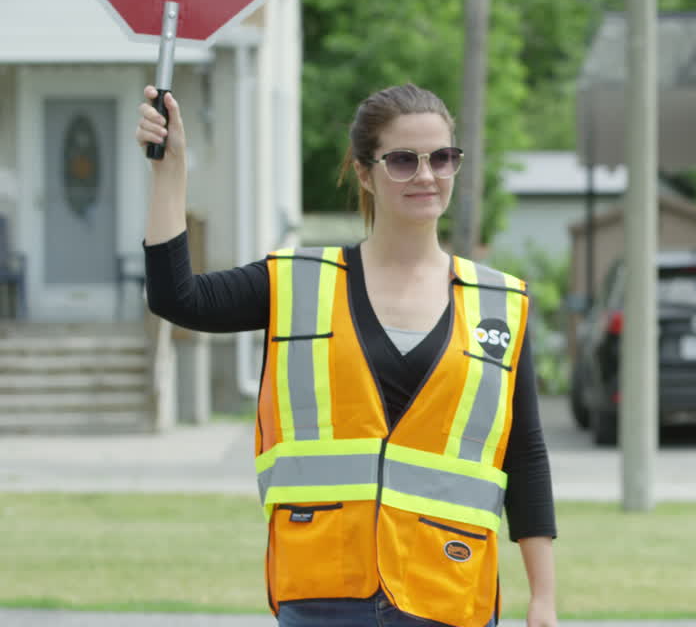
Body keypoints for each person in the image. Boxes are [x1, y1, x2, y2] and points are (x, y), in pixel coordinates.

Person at [136, 83, 558, 627]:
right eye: (403, 160)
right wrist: (170, 173)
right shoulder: (294, 283)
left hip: (450, 590)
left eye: (442, 158)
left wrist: (543, 596)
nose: (426, 175)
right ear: (364, 172)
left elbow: (523, 454)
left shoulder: (501, 303)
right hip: (324, 590)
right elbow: (178, 297)